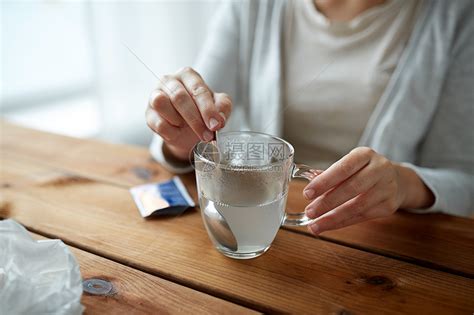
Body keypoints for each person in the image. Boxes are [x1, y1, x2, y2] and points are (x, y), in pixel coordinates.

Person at [145, 0, 474, 235]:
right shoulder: (251, 7)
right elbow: (192, 126)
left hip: (381, 240)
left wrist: (401, 184)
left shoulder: (457, 17)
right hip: (250, 221)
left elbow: (464, 181)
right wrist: (183, 135)